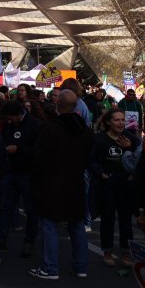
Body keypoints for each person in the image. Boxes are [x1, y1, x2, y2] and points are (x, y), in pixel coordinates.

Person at [29, 90, 93, 281]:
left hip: (52, 182)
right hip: (75, 181)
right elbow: (87, 157)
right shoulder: (85, 130)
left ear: (58, 105)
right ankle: (80, 266)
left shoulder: (50, 128)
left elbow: (39, 158)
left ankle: (50, 267)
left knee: (49, 225)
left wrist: (37, 178)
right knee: (77, 225)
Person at [90, 107, 141, 267]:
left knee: (126, 221)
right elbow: (91, 161)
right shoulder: (99, 139)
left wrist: (128, 148)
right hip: (107, 185)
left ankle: (126, 252)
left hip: (126, 185)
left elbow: (139, 160)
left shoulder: (131, 139)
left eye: (122, 120)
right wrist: (102, 174)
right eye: (117, 120)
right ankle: (107, 251)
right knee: (108, 219)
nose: (120, 123)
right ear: (108, 122)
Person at [0, 99, 42, 259]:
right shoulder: (9, 125)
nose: (8, 121)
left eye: (10, 118)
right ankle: (1, 240)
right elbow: (4, 139)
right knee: (5, 207)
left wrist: (19, 149)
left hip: (28, 173)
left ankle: (29, 242)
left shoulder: (35, 124)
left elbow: (39, 149)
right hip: (10, 171)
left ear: (18, 114)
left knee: (31, 210)